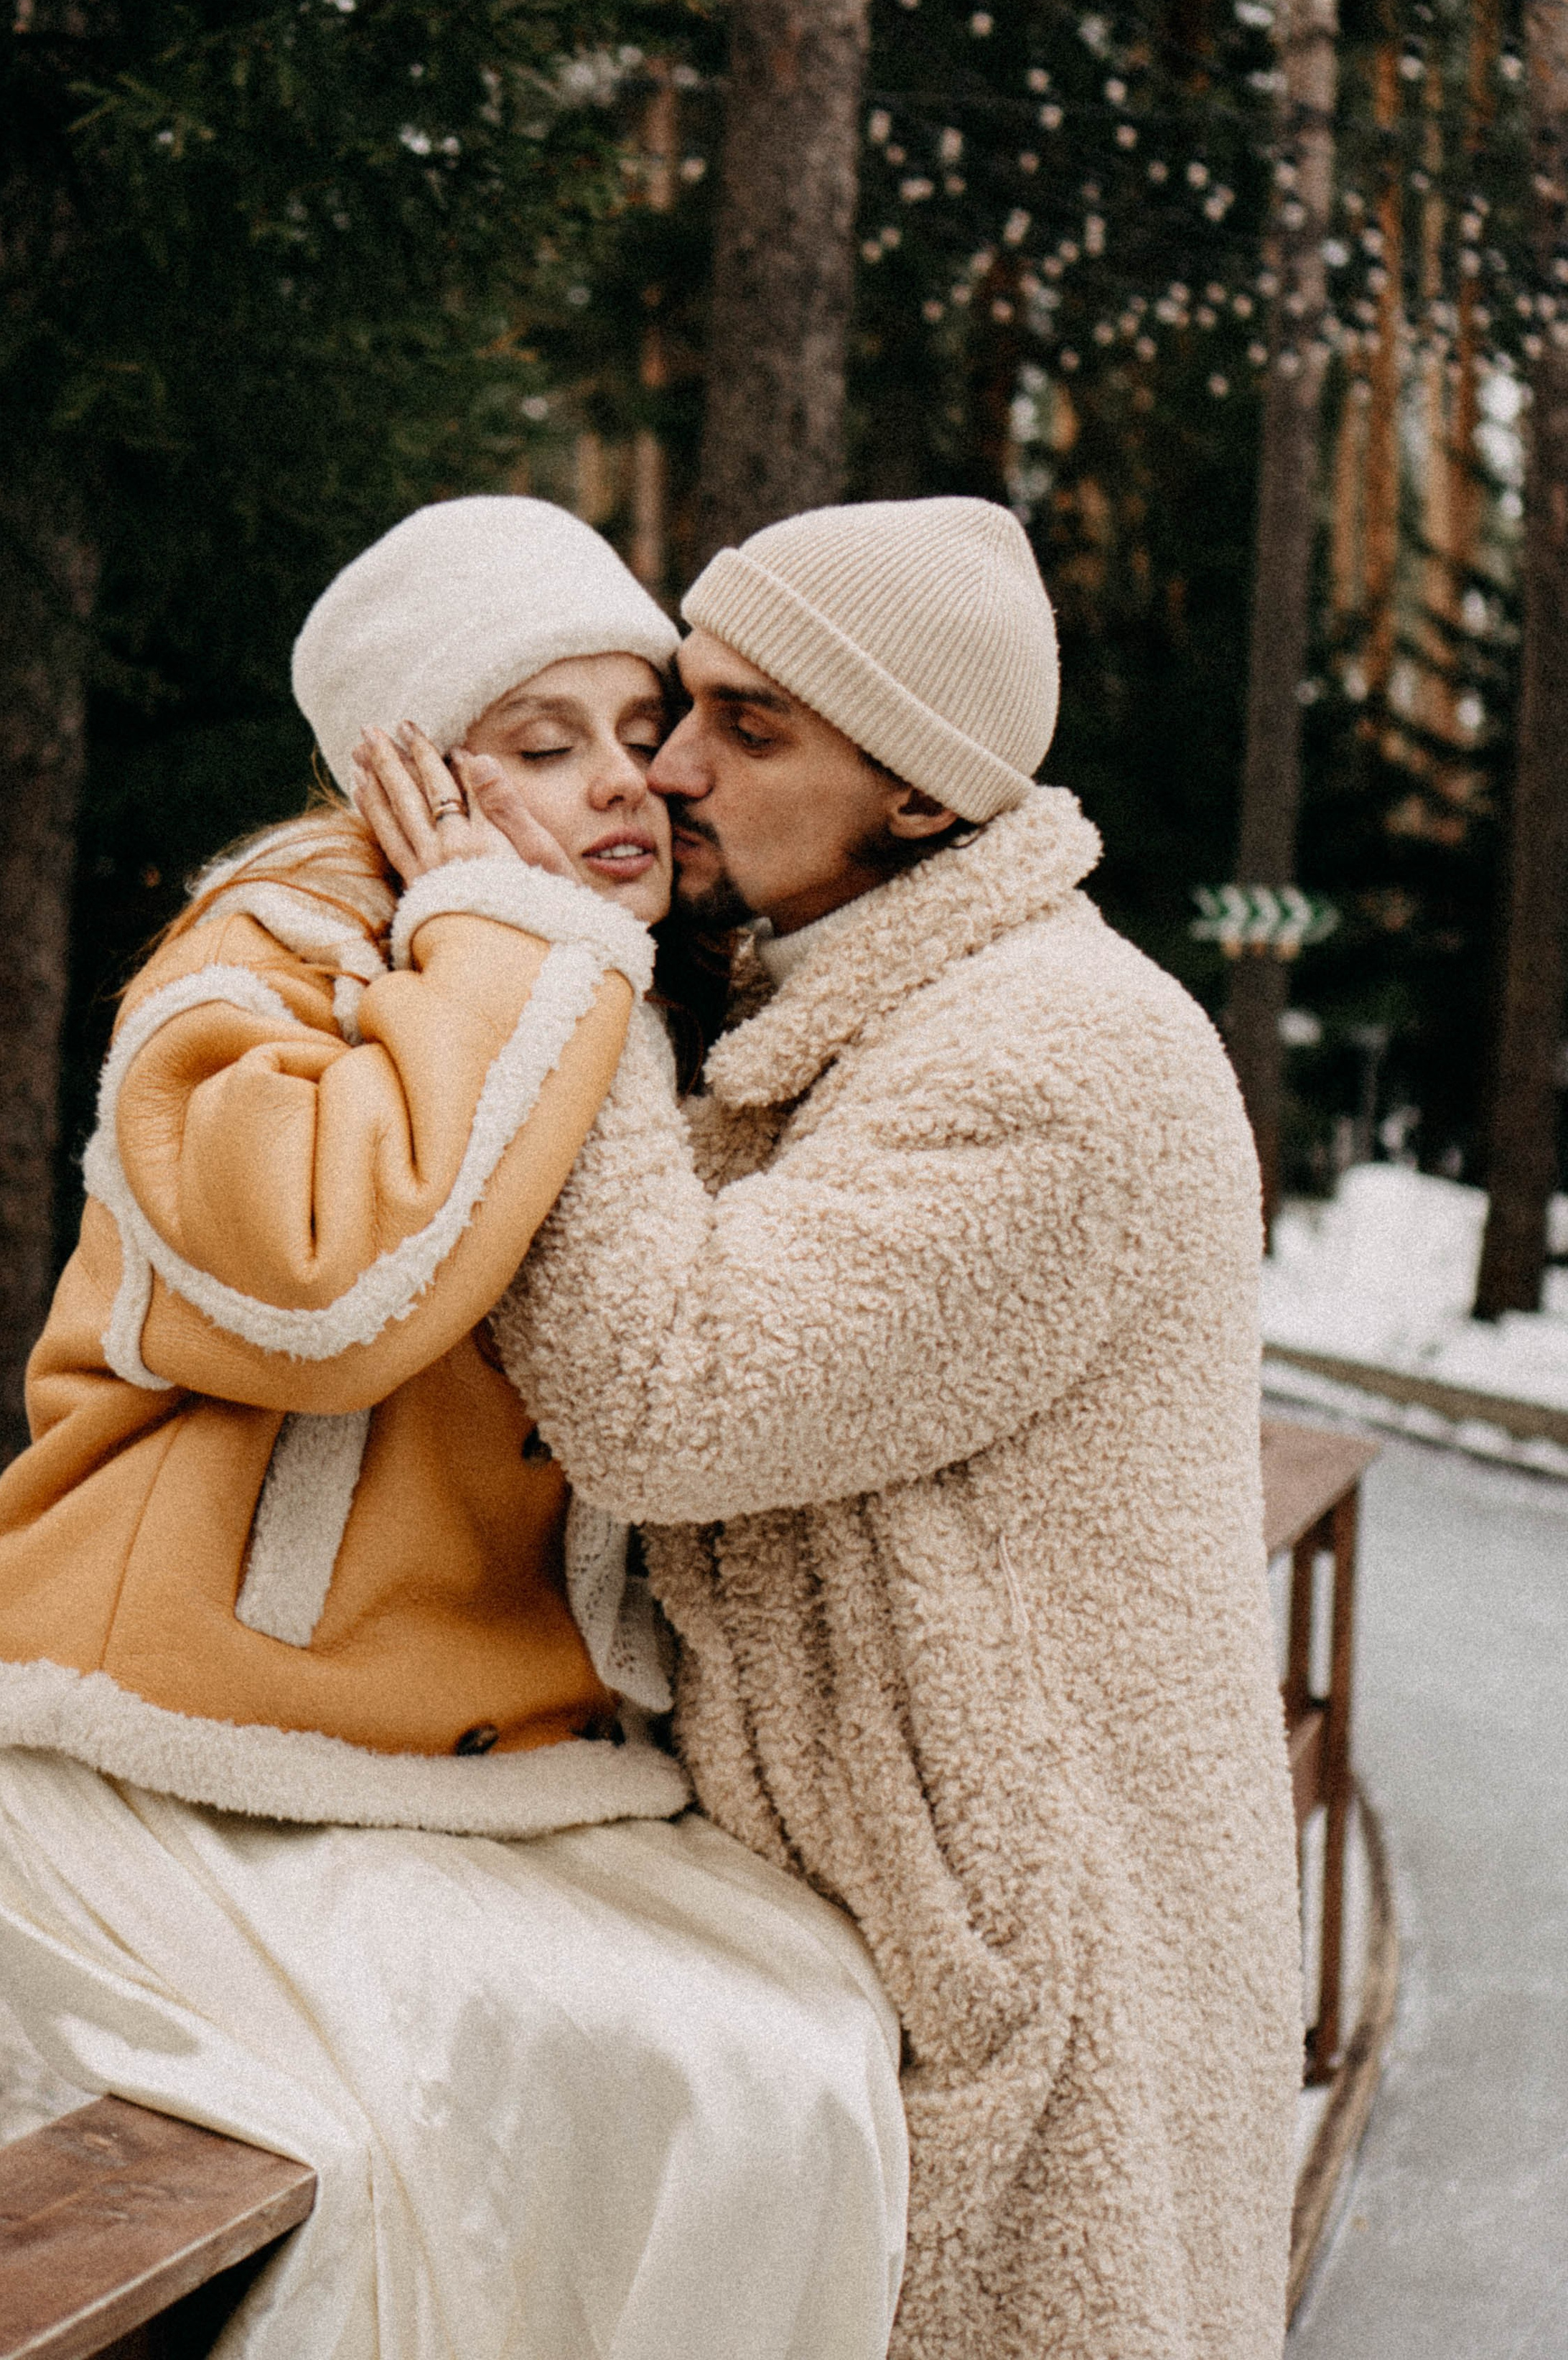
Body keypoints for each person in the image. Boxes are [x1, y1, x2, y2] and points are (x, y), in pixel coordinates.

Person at [0, 495, 908, 2360]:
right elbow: (324, 1282)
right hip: (191, 1760)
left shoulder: (607, 981)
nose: (623, 784)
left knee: (812, 2043)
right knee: (599, 2109)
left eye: (640, 732)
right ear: (401, 776)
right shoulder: (261, 957)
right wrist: (508, 936)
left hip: (488, 1776)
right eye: (540, 744)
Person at [462, 495, 1305, 2360]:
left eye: (749, 728)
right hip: (901, 1940)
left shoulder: (1057, 1056)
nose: (671, 769)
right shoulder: (874, 1012)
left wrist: (550, 949)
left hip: (1041, 1975)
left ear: (920, 794)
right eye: (686, 702)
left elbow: (670, 1399)